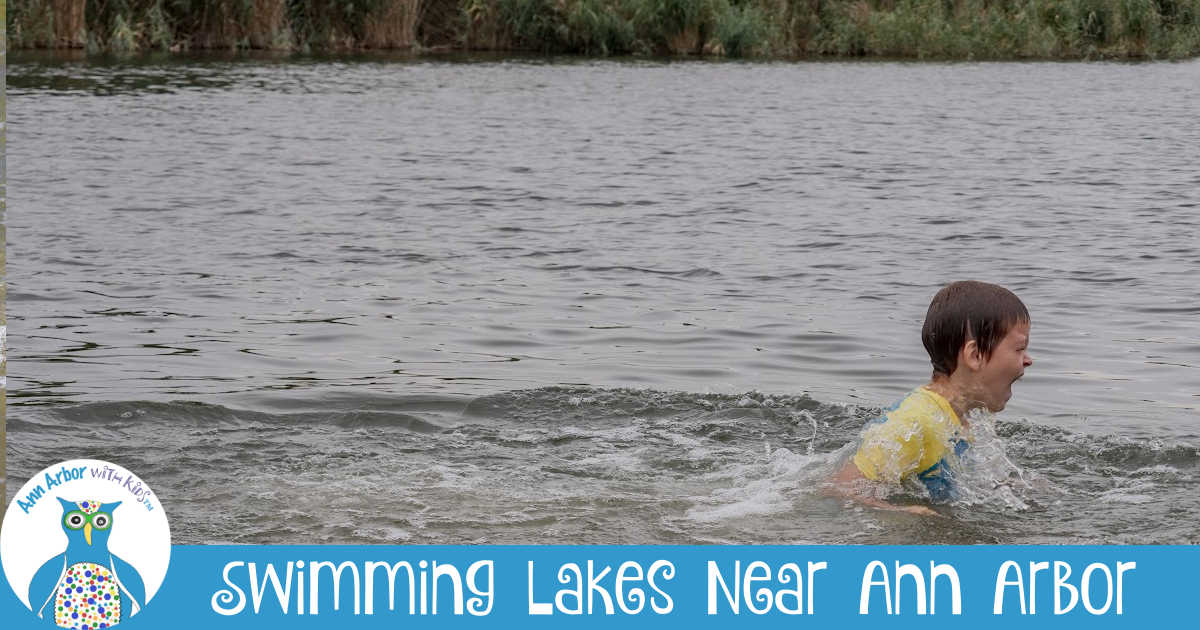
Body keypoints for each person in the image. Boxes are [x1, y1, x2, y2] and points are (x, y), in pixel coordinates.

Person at [831, 280, 1033, 515]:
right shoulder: (916, 421)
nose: (1028, 360)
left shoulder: (960, 417)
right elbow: (841, 487)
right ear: (975, 355)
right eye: (1020, 349)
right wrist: (900, 513)